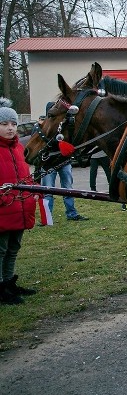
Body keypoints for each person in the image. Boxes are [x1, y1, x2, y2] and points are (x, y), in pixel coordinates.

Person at [0, 98, 37, 304]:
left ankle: (8, 282)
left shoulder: (17, 149)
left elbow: (25, 176)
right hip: (3, 209)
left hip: (19, 207)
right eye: (4, 124)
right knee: (1, 249)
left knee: (13, 248)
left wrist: (33, 191)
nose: (10, 128)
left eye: (13, 124)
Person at [40, 104, 88, 222]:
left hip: (64, 162)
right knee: (47, 191)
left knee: (68, 189)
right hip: (48, 164)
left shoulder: (65, 127)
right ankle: (47, 217)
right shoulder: (44, 129)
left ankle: (71, 213)